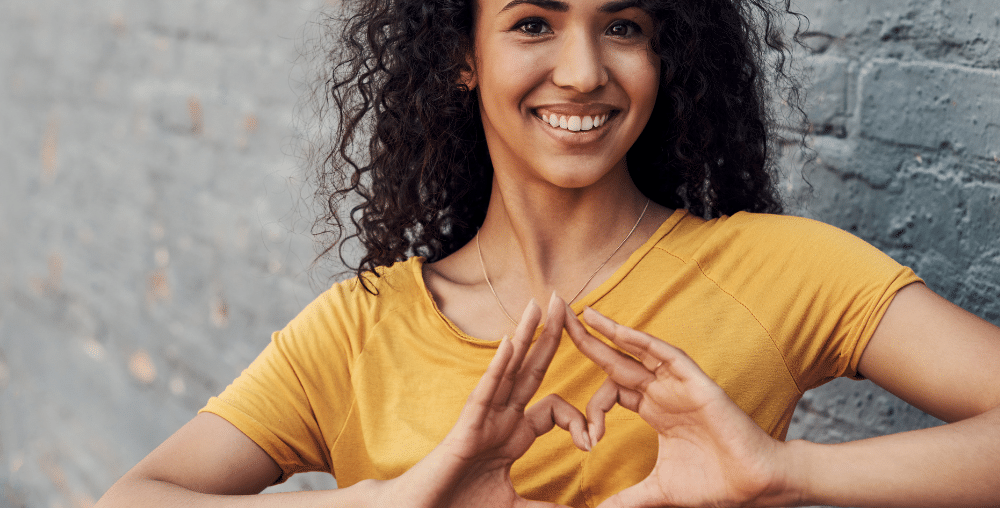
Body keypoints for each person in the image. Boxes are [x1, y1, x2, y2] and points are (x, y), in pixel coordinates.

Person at [95, 0, 1000, 504]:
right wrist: (402, 499)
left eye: (623, 26)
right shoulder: (359, 330)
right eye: (534, 22)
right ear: (463, 55)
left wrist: (786, 475)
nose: (582, 71)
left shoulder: (781, 269)